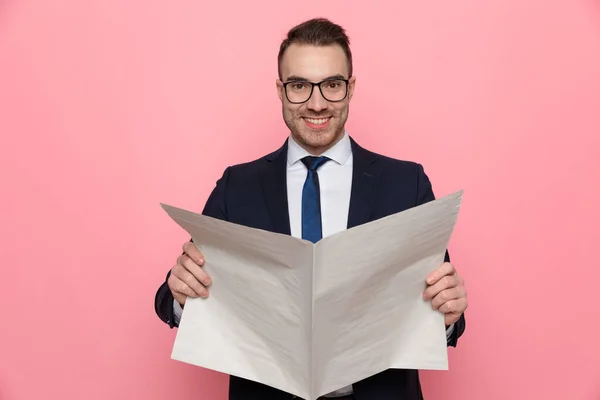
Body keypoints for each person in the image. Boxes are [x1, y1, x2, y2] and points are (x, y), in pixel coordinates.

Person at [154, 17, 468, 400]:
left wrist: (448, 314)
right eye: (300, 86)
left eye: (332, 85)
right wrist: (182, 294)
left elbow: (441, 310)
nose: (316, 104)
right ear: (281, 90)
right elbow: (172, 299)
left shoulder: (406, 184)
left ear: (350, 88)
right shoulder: (238, 187)